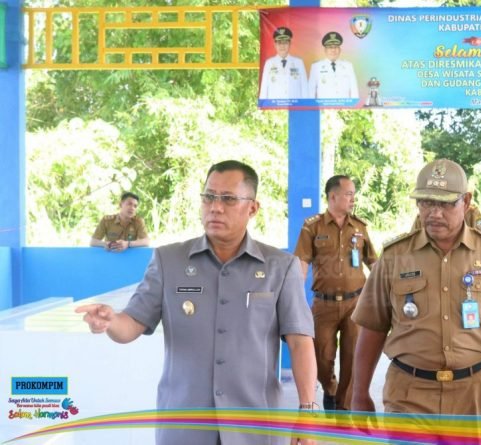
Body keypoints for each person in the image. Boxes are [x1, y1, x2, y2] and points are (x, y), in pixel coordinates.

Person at [77, 161, 317, 445]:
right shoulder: (168, 260)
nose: (215, 207)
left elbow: (301, 343)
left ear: (252, 208)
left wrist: (307, 412)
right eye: (209, 197)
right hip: (184, 424)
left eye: (228, 199)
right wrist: (110, 321)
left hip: (254, 427)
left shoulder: (280, 266)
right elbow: (130, 325)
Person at [351, 159, 481, 418]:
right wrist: (359, 393)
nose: (435, 213)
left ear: (466, 201)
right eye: (426, 202)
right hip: (408, 393)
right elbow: (373, 327)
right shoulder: (395, 256)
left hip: (473, 393)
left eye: (445, 203)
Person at [294, 175, 377, 411]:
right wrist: (294, 299)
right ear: (333, 196)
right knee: (321, 356)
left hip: (356, 304)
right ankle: (330, 388)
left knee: (353, 357)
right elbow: (301, 263)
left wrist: (388, 292)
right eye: (348, 194)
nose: (353, 199)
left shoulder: (359, 227)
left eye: (353, 194)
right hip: (324, 304)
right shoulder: (312, 227)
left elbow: (373, 262)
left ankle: (343, 405)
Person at [259, 26, 308, 100]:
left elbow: (304, 88)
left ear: (290, 44)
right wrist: (262, 105)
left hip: (295, 105)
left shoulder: (298, 63)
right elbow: (264, 90)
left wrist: (305, 105)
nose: (282, 46)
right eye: (279, 43)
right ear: (275, 44)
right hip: (274, 105)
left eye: (285, 42)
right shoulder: (269, 63)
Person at [308, 32, 359, 99]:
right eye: (330, 47)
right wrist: (310, 105)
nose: (333, 50)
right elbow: (310, 91)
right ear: (325, 50)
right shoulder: (316, 67)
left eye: (336, 47)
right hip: (323, 105)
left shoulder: (348, 66)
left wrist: (354, 105)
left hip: (343, 105)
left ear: (340, 50)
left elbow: (354, 90)